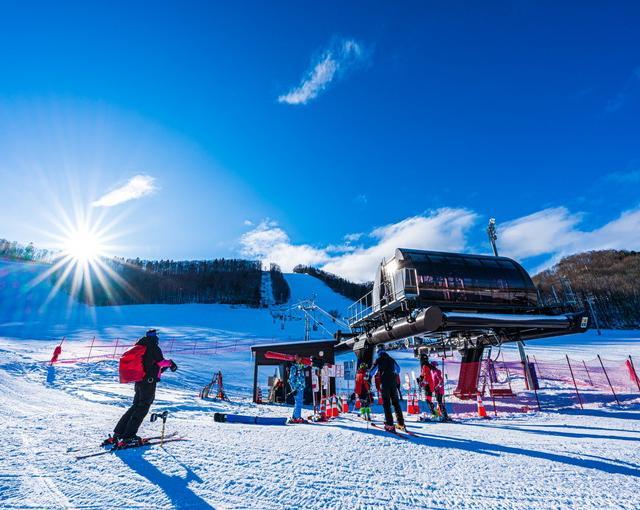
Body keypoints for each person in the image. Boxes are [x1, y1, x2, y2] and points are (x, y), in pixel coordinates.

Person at [108, 329, 177, 447]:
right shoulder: (153, 346)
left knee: (136, 406)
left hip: (140, 380)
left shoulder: (141, 345)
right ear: (155, 337)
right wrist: (171, 363)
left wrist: (160, 369)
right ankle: (129, 436)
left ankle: (118, 433)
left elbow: (152, 365)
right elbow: (161, 362)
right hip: (148, 383)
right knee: (143, 407)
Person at [369, 347, 405, 432]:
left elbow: (371, 372)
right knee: (396, 403)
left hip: (384, 384)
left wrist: (369, 376)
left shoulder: (378, 360)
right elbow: (398, 370)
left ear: (378, 352)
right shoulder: (391, 359)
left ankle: (390, 424)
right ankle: (401, 423)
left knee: (386, 404)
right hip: (393, 383)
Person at [288, 355, 307, 424]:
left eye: (300, 358)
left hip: (301, 387)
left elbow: (306, 365)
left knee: (298, 402)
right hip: (297, 388)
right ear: (295, 359)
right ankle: (296, 418)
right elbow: (291, 379)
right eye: (299, 358)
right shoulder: (294, 368)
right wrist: (294, 388)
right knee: (298, 402)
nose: (300, 360)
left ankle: (295, 417)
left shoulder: (300, 367)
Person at [417, 353, 437, 420]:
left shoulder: (425, 366)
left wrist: (422, 383)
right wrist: (420, 379)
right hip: (429, 385)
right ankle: (434, 413)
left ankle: (434, 414)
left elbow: (426, 377)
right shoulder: (426, 366)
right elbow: (423, 375)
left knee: (428, 400)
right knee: (428, 400)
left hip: (428, 385)